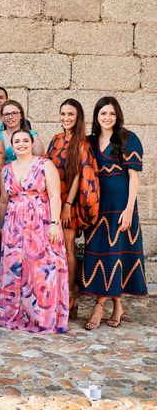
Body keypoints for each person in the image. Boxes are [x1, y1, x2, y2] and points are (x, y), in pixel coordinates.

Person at [81, 97, 147, 330]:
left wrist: (129, 210)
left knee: (116, 253)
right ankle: (117, 305)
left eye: (111, 114)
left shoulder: (128, 139)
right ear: (96, 116)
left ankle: (99, 306)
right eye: (103, 114)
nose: (107, 118)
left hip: (120, 206)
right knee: (102, 254)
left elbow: (134, 177)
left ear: (117, 115)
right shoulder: (88, 141)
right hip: (96, 207)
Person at [0, 129, 69, 334]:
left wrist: (55, 223)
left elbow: (55, 196)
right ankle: (14, 316)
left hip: (41, 221)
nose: (21, 144)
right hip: (14, 225)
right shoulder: (7, 169)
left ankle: (41, 318)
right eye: (16, 141)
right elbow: (3, 200)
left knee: (41, 269)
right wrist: (2, 225)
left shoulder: (44, 164)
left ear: (31, 142)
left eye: (25, 140)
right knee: (15, 270)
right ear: (12, 145)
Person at [46, 99, 99, 320]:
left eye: (70, 114)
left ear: (78, 118)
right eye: (63, 114)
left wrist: (67, 205)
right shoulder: (56, 139)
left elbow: (80, 174)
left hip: (70, 200)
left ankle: (70, 296)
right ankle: (55, 292)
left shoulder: (82, 143)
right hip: (53, 199)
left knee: (67, 247)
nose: (66, 118)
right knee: (53, 247)